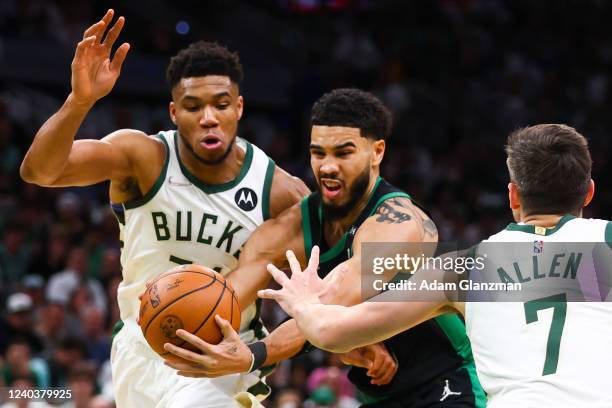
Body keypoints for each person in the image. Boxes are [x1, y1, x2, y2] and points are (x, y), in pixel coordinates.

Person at [19, 9, 313, 408]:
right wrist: (79, 101)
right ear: (175, 113)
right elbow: (40, 171)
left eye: (221, 105)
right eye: (193, 107)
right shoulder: (144, 156)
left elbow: (326, 291)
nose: (209, 118)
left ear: (239, 108)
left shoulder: (279, 191)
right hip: (140, 345)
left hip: (221, 350)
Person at [163, 89, 486, 407]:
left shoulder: (397, 224)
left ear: (377, 152)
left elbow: (330, 313)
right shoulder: (293, 225)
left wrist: (253, 355)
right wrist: (173, 312)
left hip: (449, 382)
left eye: (343, 153)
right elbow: (226, 297)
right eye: (319, 153)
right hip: (379, 394)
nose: (327, 167)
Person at [261, 124, 612, 406]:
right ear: (589, 192)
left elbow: (331, 333)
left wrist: (304, 302)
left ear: (513, 196)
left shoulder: (465, 267)